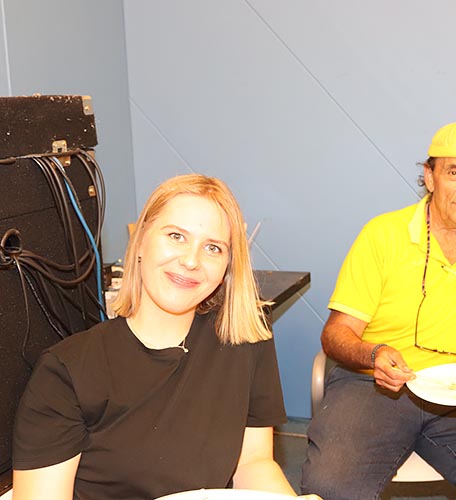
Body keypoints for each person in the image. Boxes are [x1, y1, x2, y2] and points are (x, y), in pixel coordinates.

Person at [12, 174, 319, 500]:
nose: (191, 261)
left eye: (212, 248)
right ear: (140, 241)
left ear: (228, 266)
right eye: (176, 236)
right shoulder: (65, 373)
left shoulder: (246, 337)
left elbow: (253, 463)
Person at [301, 120, 456, 500]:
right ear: (430, 177)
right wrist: (374, 355)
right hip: (376, 386)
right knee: (331, 485)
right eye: (454, 173)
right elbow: (335, 335)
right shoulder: (382, 234)